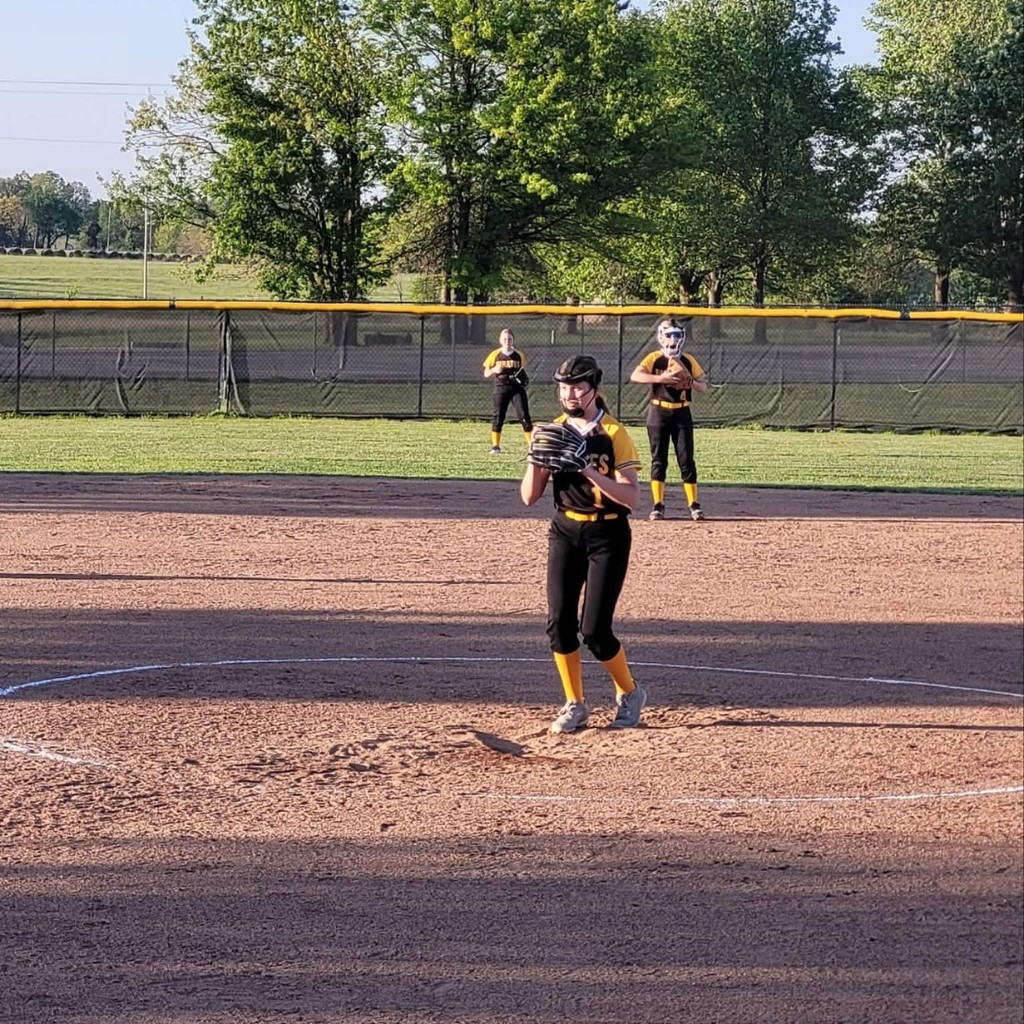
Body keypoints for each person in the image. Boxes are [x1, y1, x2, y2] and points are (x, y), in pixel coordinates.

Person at [520, 354, 647, 734]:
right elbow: (529, 497)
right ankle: (574, 702)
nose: (570, 394)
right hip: (565, 531)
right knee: (559, 623)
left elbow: (632, 499)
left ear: (594, 389)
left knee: (594, 631)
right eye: (564, 387)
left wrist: (587, 468)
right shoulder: (554, 430)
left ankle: (629, 692)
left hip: (608, 534)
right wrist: (535, 458)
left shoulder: (614, 433)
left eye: (577, 386)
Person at [630, 319, 709, 521]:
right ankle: (658, 506)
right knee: (659, 460)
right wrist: (661, 379)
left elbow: (703, 386)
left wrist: (689, 381)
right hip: (658, 412)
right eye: (669, 334)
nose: (673, 339)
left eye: (677, 335)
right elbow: (636, 376)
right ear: (661, 336)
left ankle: (694, 505)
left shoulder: (688, 360)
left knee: (686, 460)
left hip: (682, 413)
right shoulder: (654, 358)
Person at [482, 328, 533, 453]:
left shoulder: (519, 355)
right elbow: (486, 373)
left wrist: (521, 378)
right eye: (504, 339)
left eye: (509, 339)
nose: (507, 341)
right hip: (501, 388)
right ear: (500, 340)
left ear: (513, 340)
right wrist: (495, 370)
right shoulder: (495, 354)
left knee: (524, 416)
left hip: (517, 389)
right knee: (498, 416)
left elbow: (522, 371)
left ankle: (532, 445)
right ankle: (495, 446)